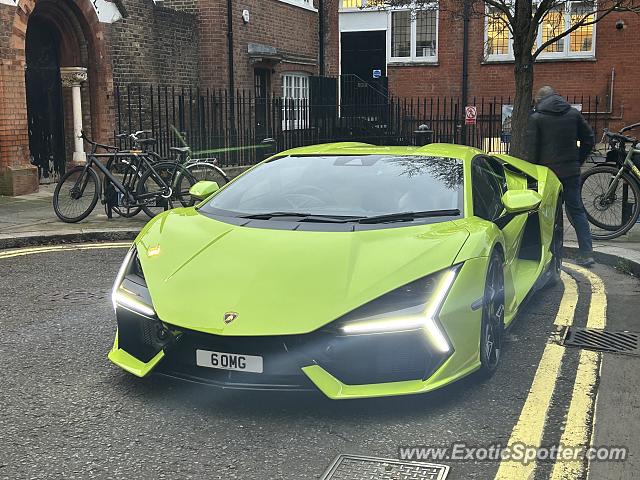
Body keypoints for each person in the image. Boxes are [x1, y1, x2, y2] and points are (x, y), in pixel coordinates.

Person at [525, 86, 596, 267]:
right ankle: (587, 253)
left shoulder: (536, 118)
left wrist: (531, 175)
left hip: (546, 174)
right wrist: (577, 160)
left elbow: (531, 151)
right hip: (571, 172)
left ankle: (551, 253)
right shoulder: (572, 114)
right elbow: (589, 138)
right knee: (577, 211)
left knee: (546, 214)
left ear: (539, 100)